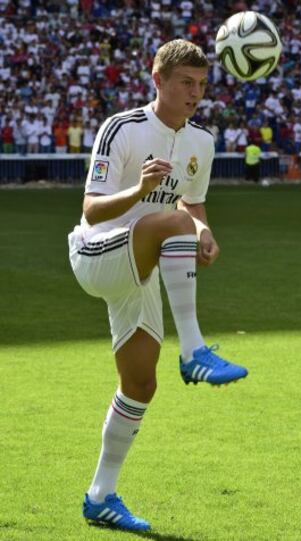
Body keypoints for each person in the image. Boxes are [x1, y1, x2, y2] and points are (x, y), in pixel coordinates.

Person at [68, 39, 248, 533]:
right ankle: (193, 350)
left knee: (140, 383)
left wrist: (204, 231)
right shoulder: (121, 127)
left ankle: (100, 496)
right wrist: (141, 191)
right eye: (185, 83)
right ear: (159, 81)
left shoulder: (201, 142)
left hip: (142, 264)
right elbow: (92, 208)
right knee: (170, 223)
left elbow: (193, 206)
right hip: (96, 252)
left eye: (202, 85)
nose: (195, 93)